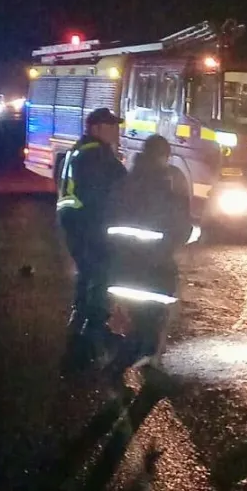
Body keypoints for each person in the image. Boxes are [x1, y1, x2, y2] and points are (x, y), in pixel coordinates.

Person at [105, 135, 193, 366]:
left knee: (137, 323)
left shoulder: (123, 183)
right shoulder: (165, 189)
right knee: (148, 330)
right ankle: (116, 374)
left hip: (122, 269)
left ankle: (132, 367)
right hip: (154, 271)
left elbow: (108, 222)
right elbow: (181, 228)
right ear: (164, 157)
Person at [56, 107, 127, 363]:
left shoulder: (79, 150)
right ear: (96, 128)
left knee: (88, 272)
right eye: (110, 126)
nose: (116, 131)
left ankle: (80, 319)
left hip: (74, 221)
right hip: (89, 223)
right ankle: (93, 328)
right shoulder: (96, 155)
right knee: (100, 271)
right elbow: (102, 193)